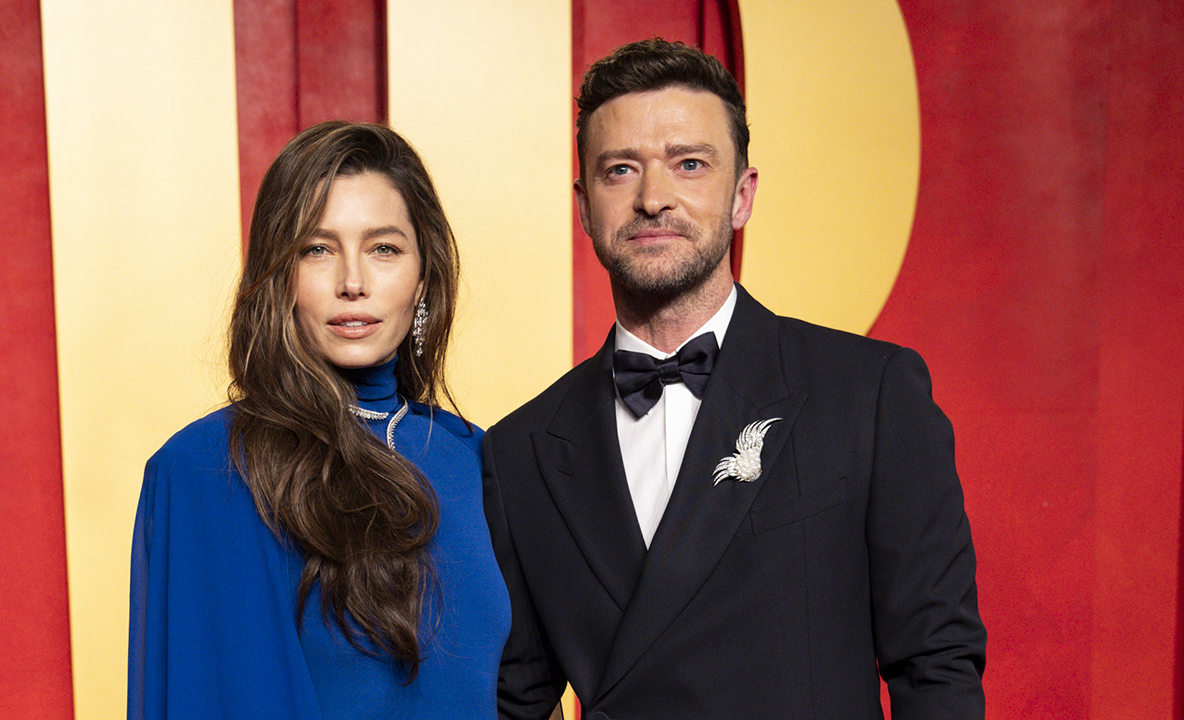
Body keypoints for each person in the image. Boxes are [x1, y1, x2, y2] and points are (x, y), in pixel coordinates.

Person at [482, 39, 985, 719]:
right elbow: (513, 701)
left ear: (742, 195)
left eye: (689, 164)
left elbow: (936, 665)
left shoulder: (868, 394)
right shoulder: (520, 450)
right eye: (620, 170)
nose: (653, 198)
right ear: (584, 207)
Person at [128, 121, 510, 719]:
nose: (352, 283)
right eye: (317, 249)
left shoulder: (476, 458)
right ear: (280, 274)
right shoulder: (208, 469)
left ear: (423, 278)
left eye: (384, 249)